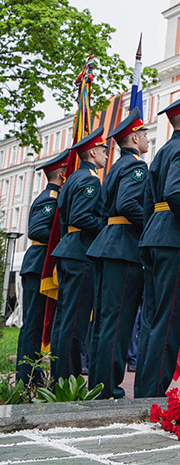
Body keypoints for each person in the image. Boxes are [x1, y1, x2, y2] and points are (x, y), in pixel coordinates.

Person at [135, 89, 180, 398]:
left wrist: (152, 228)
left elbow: (149, 198)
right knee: (169, 318)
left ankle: (144, 387)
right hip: (174, 239)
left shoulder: (162, 151)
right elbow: (176, 193)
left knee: (152, 317)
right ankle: (154, 391)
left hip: (154, 235)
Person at [86, 111, 149, 399]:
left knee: (104, 319)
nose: (147, 138)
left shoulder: (113, 168)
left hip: (107, 244)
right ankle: (109, 385)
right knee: (119, 321)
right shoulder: (136, 167)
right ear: (134, 138)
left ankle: (98, 383)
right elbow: (127, 204)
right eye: (145, 134)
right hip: (124, 249)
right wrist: (150, 226)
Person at [50, 128, 107, 382]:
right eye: (104, 150)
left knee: (64, 319)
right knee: (76, 321)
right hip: (81, 253)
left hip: (69, 248)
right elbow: (81, 217)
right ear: (93, 152)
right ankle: (68, 379)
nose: (106, 154)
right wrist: (106, 225)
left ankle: (59, 375)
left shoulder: (72, 178)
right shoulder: (90, 180)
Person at [15, 150, 69, 385]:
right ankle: (26, 375)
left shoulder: (51, 196)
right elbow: (37, 230)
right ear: (61, 172)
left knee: (35, 324)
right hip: (37, 265)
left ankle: (31, 373)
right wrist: (61, 236)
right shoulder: (49, 198)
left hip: (38, 264)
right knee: (33, 324)